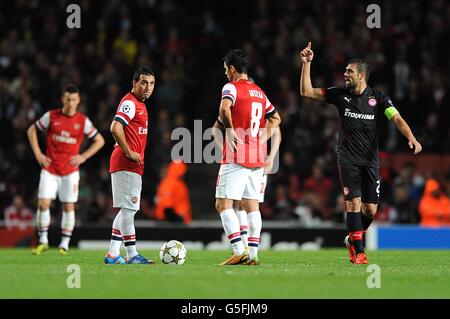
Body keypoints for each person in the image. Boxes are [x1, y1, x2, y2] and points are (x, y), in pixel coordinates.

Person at [299, 42, 422, 264]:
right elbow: (306, 92)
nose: (345, 74)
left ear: (362, 75)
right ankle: (359, 251)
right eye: (345, 71)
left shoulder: (378, 97)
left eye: (349, 71)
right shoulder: (340, 95)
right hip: (347, 158)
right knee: (353, 204)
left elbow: (396, 118)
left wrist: (411, 137)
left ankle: (352, 239)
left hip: (370, 160)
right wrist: (306, 64)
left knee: (370, 210)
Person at [215, 49, 281, 265]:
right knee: (252, 206)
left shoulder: (231, 87)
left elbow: (224, 109)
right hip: (257, 156)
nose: (225, 74)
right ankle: (253, 255)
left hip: (237, 154)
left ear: (232, 69)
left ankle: (237, 250)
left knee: (223, 204)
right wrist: (261, 139)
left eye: (226, 70)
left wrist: (230, 129)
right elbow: (276, 119)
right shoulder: (259, 92)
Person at [27, 84, 105, 255]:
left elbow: (100, 140)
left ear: (78, 101)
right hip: (50, 168)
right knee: (43, 203)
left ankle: (64, 243)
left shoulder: (83, 121)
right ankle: (43, 240)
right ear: (63, 99)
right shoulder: (51, 116)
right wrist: (38, 154)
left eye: (74, 100)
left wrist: (83, 157)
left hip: (70, 171)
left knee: (68, 207)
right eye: (68, 99)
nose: (70, 103)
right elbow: (32, 130)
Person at [104, 67, 156, 265]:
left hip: (131, 164)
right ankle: (131, 254)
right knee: (129, 210)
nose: (148, 88)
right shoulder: (130, 102)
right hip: (126, 162)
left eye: (151, 84)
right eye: (143, 83)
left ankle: (113, 253)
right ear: (134, 83)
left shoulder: (140, 104)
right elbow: (115, 128)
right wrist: (128, 151)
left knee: (127, 210)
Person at [212, 116, 281, 248]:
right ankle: (247, 249)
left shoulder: (239, 104)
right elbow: (215, 130)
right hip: (251, 160)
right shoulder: (257, 104)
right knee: (243, 204)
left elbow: (276, 131)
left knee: (246, 204)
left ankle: (244, 249)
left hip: (255, 161)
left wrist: (271, 157)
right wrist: (226, 151)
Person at [154, 160, 192, 224]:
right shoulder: (169, 183)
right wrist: (176, 219)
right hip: (172, 222)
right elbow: (167, 206)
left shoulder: (177, 183)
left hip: (177, 220)